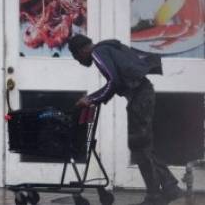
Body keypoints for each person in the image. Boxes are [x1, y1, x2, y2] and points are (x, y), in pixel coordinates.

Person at [68, 35, 183, 205]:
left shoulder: (98, 52)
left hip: (140, 98)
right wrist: (93, 97)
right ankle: (165, 189)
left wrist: (91, 100)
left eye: (77, 57)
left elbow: (113, 82)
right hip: (142, 96)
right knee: (141, 145)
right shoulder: (109, 48)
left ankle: (161, 192)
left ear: (82, 50)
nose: (79, 61)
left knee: (140, 145)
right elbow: (118, 81)